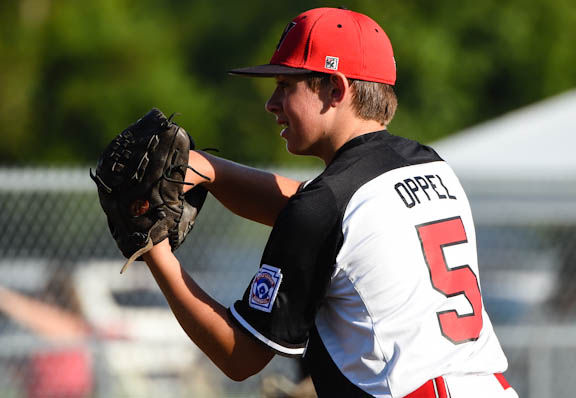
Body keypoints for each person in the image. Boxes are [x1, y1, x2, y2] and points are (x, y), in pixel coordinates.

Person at [141, 7, 518, 397]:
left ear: (335, 90)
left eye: (286, 85)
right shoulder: (427, 164)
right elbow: (321, 215)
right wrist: (210, 169)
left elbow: (239, 357)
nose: (272, 102)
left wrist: (151, 249)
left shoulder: (328, 206)